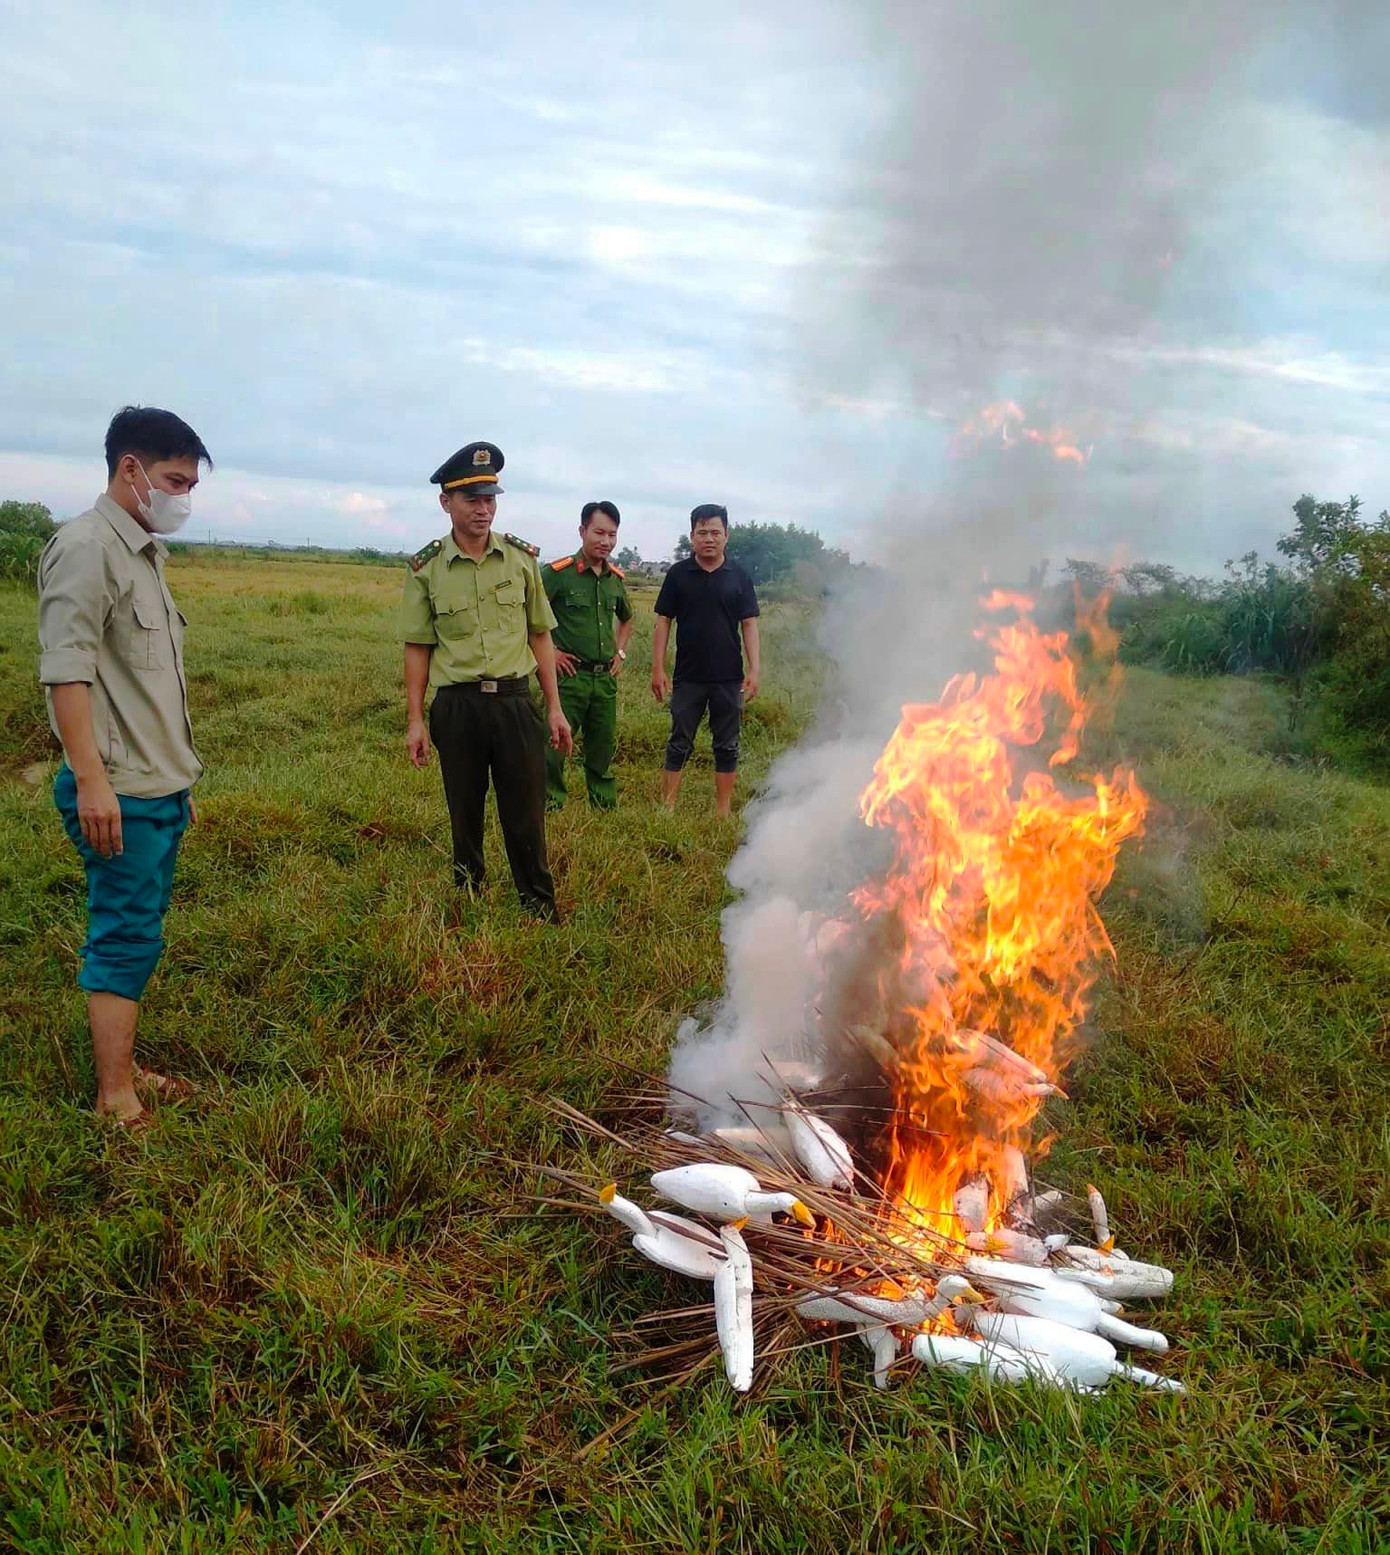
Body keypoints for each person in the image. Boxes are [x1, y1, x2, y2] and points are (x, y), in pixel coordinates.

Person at [36, 405, 212, 1125]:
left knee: (144, 930)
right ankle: (116, 1098)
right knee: (124, 934)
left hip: (158, 786)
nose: (182, 497)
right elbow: (66, 672)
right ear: (130, 469)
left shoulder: (143, 550)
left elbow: (149, 687)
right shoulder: (85, 547)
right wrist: (93, 779)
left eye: (190, 484)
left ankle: (125, 1063)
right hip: (119, 790)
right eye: (173, 479)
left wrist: (180, 780)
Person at [400, 441, 573, 921]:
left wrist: (554, 708)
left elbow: (541, 635)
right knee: (465, 808)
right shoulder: (427, 569)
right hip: (457, 707)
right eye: (471, 499)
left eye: (490, 498)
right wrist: (415, 720)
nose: (483, 509)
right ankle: (469, 899)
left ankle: (537, 906)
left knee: (526, 811)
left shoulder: (520, 561)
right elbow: (418, 647)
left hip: (515, 704)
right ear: (446, 503)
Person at [651, 502, 761, 818]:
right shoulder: (678, 574)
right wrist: (657, 668)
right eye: (702, 533)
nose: (708, 539)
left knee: (726, 745)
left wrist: (755, 669)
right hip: (688, 677)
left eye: (715, 532)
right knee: (679, 741)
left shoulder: (738, 576)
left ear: (726, 535)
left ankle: (723, 810)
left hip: (729, 677)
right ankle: (667, 808)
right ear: (692, 536)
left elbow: (749, 623)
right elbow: (663, 620)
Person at [542, 500, 634, 810]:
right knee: (554, 743)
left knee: (602, 745)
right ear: (582, 531)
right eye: (599, 532)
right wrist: (550, 652)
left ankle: (603, 803)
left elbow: (627, 618)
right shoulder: (558, 574)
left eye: (612, 535)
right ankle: (550, 801)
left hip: (604, 678)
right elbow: (528, 616)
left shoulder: (614, 580)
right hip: (569, 678)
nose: (606, 541)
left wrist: (619, 652)